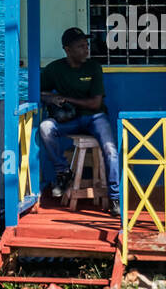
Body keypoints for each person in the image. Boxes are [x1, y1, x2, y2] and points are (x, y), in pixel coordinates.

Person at [37, 27, 121, 215]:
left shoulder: (93, 67)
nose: (86, 49)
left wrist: (66, 98)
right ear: (67, 49)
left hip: (95, 117)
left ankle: (115, 197)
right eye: (81, 46)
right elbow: (36, 91)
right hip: (71, 120)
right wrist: (50, 99)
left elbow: (95, 103)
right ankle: (63, 172)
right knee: (45, 127)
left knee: (111, 150)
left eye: (87, 45)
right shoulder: (55, 69)